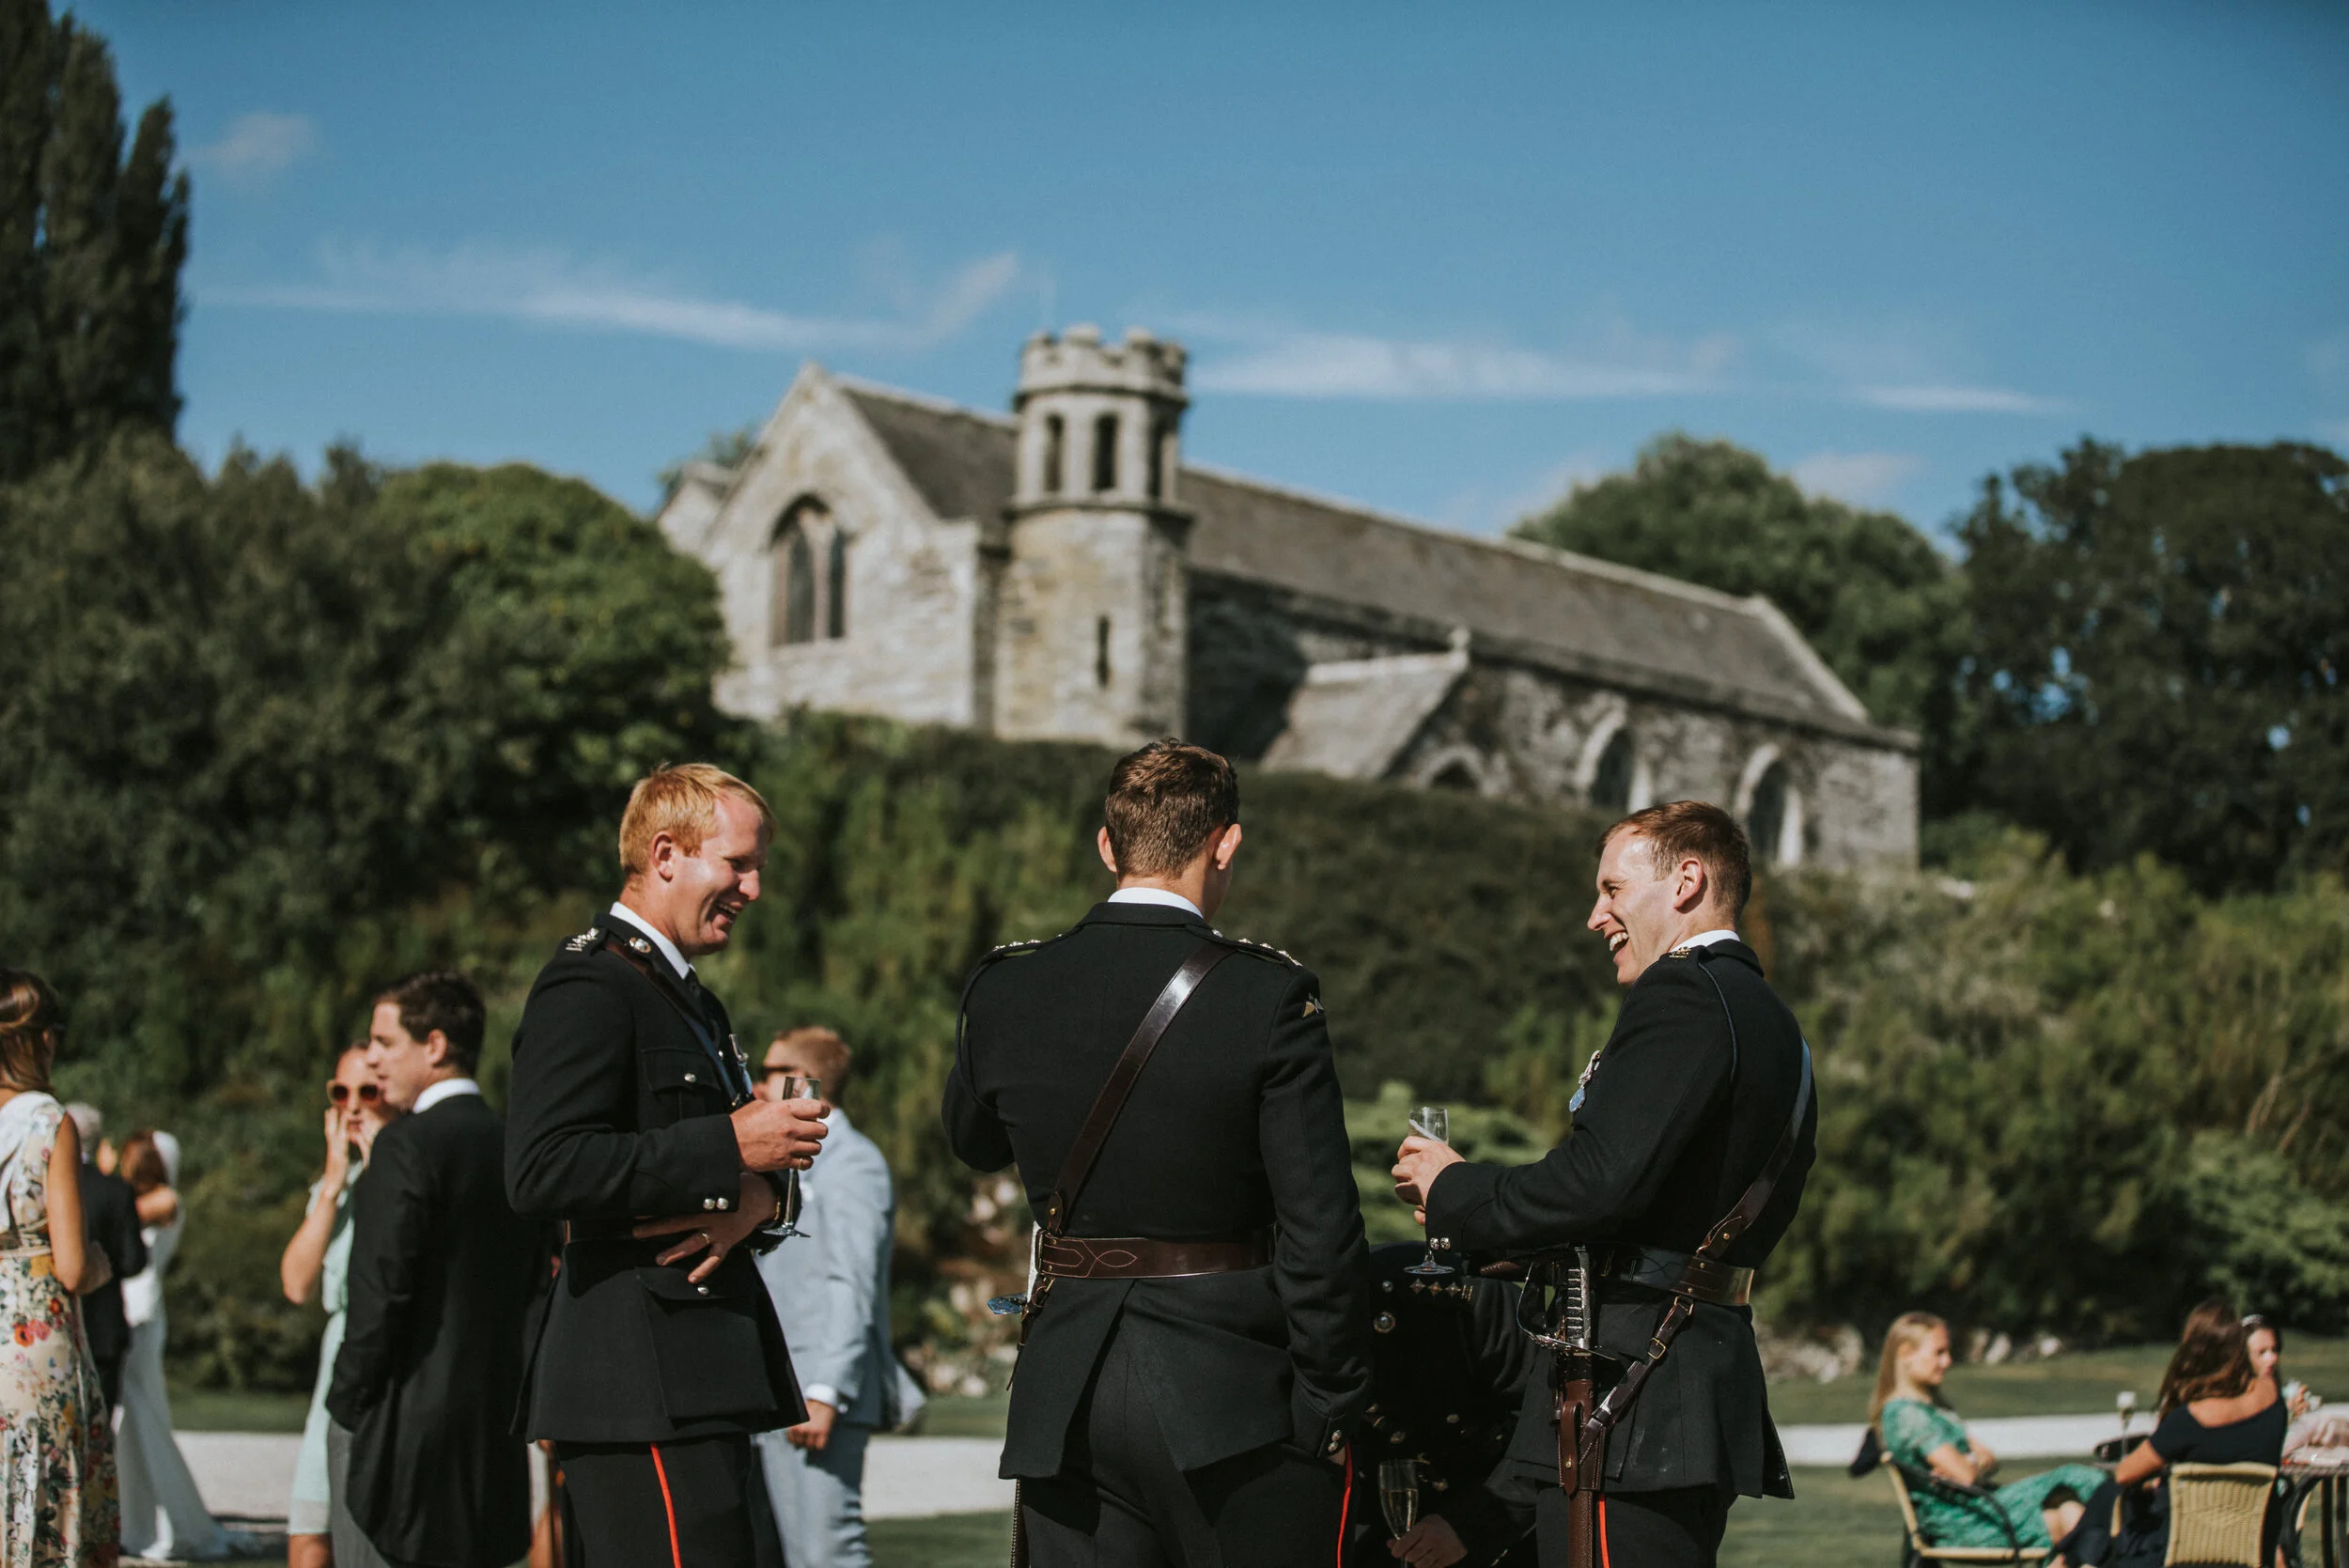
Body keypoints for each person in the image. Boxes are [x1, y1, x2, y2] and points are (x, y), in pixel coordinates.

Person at [944, 738, 1374, 1567]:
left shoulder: (1004, 985)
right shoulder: (1268, 994)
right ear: (1227, 843)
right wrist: (1332, 1398)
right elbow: (1320, 1224)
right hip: (1234, 1391)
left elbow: (973, 1142)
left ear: (1107, 846)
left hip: (1068, 1395)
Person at [1392, 800, 1818, 1568]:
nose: (1597, 915)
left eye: (1613, 889)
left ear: (1687, 880)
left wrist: (1455, 1190)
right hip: (1691, 1377)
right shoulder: (1775, 1022)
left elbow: (1596, 1183)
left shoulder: (1683, 991)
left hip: (1629, 1393)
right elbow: (1664, 1214)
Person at [506, 763, 829, 1568]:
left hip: (694, 1377)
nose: (752, 888)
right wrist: (731, 1148)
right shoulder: (589, 982)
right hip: (635, 1382)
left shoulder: (687, 1000)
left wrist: (760, 1196)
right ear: (665, 855)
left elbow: (722, 1164)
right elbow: (541, 1168)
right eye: (738, 863)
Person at [324, 971, 544, 1568]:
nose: (371, 1060)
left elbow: (380, 1298)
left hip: (401, 1430)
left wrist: (346, 1404)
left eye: (385, 1042)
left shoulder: (405, 1148)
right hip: (493, 1430)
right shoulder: (515, 1148)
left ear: (436, 1046)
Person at [752, 1027, 926, 1568]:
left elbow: (853, 1282)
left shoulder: (854, 1163)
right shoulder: (788, 1165)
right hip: (777, 1389)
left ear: (807, 1085)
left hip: (816, 1395)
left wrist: (825, 1389)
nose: (757, 1085)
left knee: (827, 1554)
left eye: (771, 1072)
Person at [0, 969, 120, 1564]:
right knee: (40, 1490)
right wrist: (99, 1263)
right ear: (38, 1040)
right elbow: (71, 1268)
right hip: (33, 1345)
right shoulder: (48, 1122)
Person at [1342, 1242, 1535, 1568]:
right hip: (1362, 1526)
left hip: (1495, 1513)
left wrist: (1469, 1526)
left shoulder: (1473, 1300)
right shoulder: (1279, 1317)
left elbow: (1553, 1430)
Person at [280, 1044, 400, 1568]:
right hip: (336, 1367)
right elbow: (295, 1283)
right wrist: (332, 1182)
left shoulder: (405, 1182)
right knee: (309, 1537)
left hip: (388, 1366)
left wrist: (382, 1168)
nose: (352, 1106)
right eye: (340, 1093)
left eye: (366, 1092)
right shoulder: (337, 1191)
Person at [2055, 1300, 2284, 1567]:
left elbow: (2125, 1473)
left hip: (2184, 1552)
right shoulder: (2272, 1399)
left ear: (2195, 1352)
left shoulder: (2190, 1419)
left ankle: (2067, 1562)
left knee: (2109, 1495)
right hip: (2251, 1547)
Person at [1871, 1312, 2101, 1549]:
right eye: (1938, 1353)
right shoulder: (1906, 1414)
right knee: (2074, 1477)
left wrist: (1972, 1463)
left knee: (2071, 1511)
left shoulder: (1934, 1409)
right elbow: (1966, 1476)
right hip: (1965, 1522)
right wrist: (1974, 1464)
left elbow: (1987, 1460)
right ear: (1906, 1353)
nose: (1947, 1361)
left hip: (1984, 1510)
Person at [116, 1127, 229, 1560]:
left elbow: (124, 1214)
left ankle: (164, 1522)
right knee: (130, 1425)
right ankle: (135, 1518)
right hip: (134, 1312)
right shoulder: (148, 1201)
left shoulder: (165, 1201)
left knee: (144, 1421)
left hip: (141, 1315)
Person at [64, 1102, 147, 1415]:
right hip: (103, 1328)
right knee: (99, 1435)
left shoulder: (41, 1186)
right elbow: (133, 1261)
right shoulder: (117, 1191)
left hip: (56, 1323)